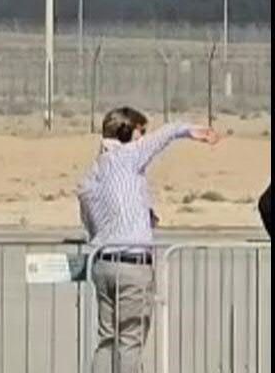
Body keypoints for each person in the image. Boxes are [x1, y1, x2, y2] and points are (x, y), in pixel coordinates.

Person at [77, 106, 222, 372]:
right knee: (130, 341)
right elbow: (166, 134)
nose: (144, 137)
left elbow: (90, 220)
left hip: (102, 262)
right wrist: (191, 131)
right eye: (141, 132)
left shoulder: (93, 173)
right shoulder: (130, 155)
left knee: (107, 340)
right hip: (132, 263)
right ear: (128, 132)